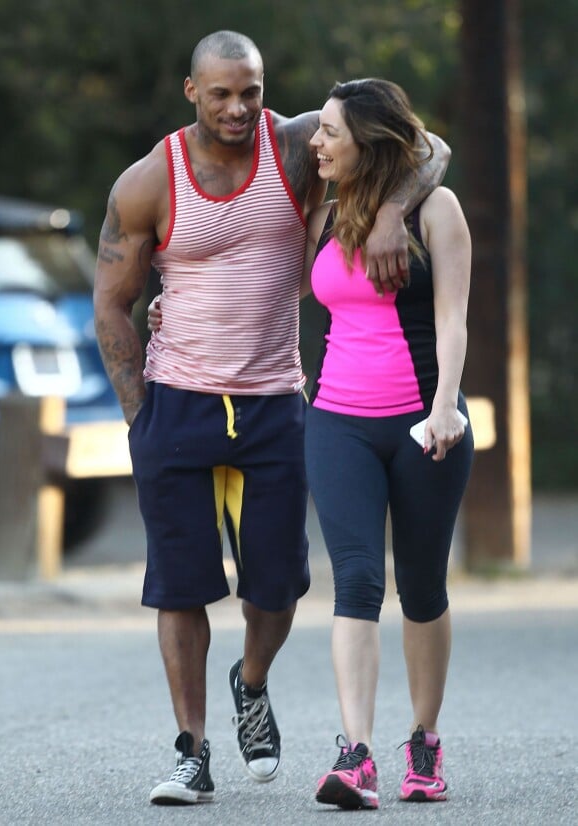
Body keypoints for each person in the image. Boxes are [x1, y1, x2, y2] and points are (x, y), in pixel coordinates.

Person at [93, 29, 450, 807]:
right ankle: (192, 749)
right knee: (180, 588)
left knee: (279, 586)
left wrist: (392, 212)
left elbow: (427, 151)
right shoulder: (150, 180)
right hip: (176, 402)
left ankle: (250, 684)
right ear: (192, 91)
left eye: (249, 91)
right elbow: (112, 308)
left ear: (264, 89)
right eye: (220, 92)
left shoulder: (294, 147)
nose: (236, 107)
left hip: (273, 402)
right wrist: (138, 419)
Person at [299, 78, 474, 810]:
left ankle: (424, 742)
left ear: (366, 142)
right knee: (357, 582)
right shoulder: (323, 210)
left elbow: (454, 318)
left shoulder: (438, 209)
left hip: (423, 424)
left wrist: (443, 411)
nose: (316, 144)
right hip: (337, 422)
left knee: (424, 587)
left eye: (331, 134)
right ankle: (357, 754)